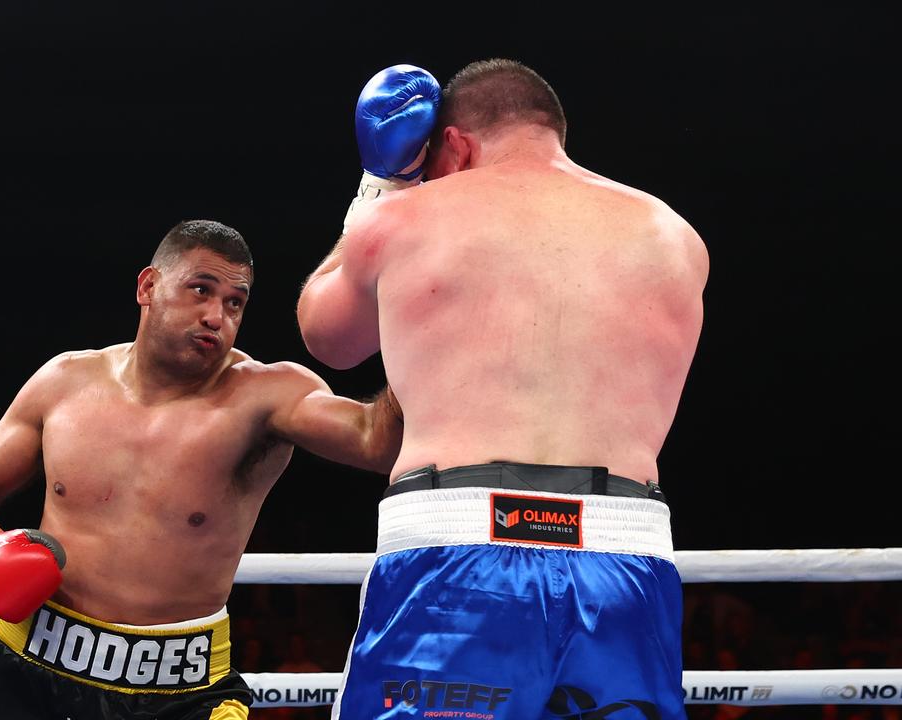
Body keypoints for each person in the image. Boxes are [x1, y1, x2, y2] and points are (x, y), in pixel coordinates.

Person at [298, 60, 708, 719]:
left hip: (458, 549)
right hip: (627, 557)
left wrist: (384, 185)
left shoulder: (414, 213)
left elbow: (328, 337)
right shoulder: (672, 235)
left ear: (455, 145)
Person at [0, 219, 403, 720]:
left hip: (181, 692)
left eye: (234, 303)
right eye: (201, 290)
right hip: (30, 670)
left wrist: (428, 315)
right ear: (148, 286)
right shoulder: (65, 382)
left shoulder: (265, 397)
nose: (216, 316)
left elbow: (375, 439)